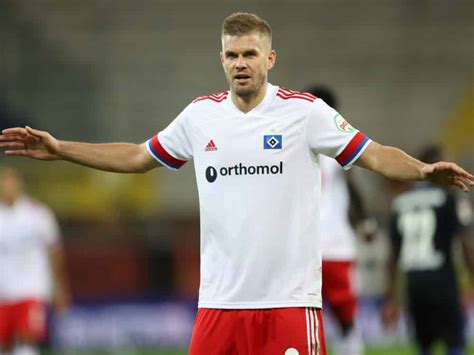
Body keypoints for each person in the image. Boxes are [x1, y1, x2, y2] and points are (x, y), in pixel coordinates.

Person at [0, 12, 472, 355]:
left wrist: (422, 170)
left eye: (250, 53)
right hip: (219, 306)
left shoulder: (304, 113)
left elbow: (373, 153)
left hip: (288, 306)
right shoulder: (200, 117)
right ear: (221, 59)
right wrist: (61, 148)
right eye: (231, 54)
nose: (240, 62)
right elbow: (137, 155)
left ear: (270, 57)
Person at [382, 145, 474, 355]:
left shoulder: (400, 203)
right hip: (444, 283)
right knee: (455, 344)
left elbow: (393, 256)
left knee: (425, 346)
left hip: (414, 286)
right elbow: (466, 244)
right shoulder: (451, 198)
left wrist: (391, 299)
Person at [305, 85, 376, 355]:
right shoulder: (331, 144)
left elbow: (353, 186)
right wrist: (365, 222)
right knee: (338, 319)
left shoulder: (333, 143)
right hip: (328, 247)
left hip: (325, 245)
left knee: (332, 318)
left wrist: (364, 220)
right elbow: (353, 185)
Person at [0, 166, 71, 355]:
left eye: (11, 181)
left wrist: (60, 287)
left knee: (26, 340)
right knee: (5, 347)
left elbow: (54, 251)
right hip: (3, 292)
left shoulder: (38, 214)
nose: (8, 186)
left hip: (32, 289)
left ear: (19, 184)